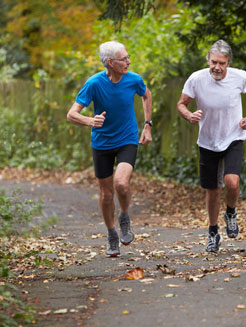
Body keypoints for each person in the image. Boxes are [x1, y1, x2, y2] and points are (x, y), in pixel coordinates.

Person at [67, 41, 153, 257]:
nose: (129, 62)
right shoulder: (94, 83)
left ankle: (124, 216)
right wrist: (90, 121)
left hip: (127, 138)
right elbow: (71, 114)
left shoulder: (133, 79)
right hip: (102, 143)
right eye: (124, 59)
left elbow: (146, 94)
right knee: (106, 194)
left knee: (121, 183)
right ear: (110, 62)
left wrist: (147, 125)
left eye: (128, 57)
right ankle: (111, 233)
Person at [176, 40, 246, 252]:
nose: (217, 67)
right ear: (208, 60)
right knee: (212, 191)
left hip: (233, 136)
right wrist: (189, 115)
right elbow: (181, 104)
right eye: (214, 62)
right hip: (207, 140)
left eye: (222, 63)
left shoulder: (239, 76)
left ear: (228, 63)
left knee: (232, 182)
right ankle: (213, 232)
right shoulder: (196, 78)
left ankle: (231, 212)